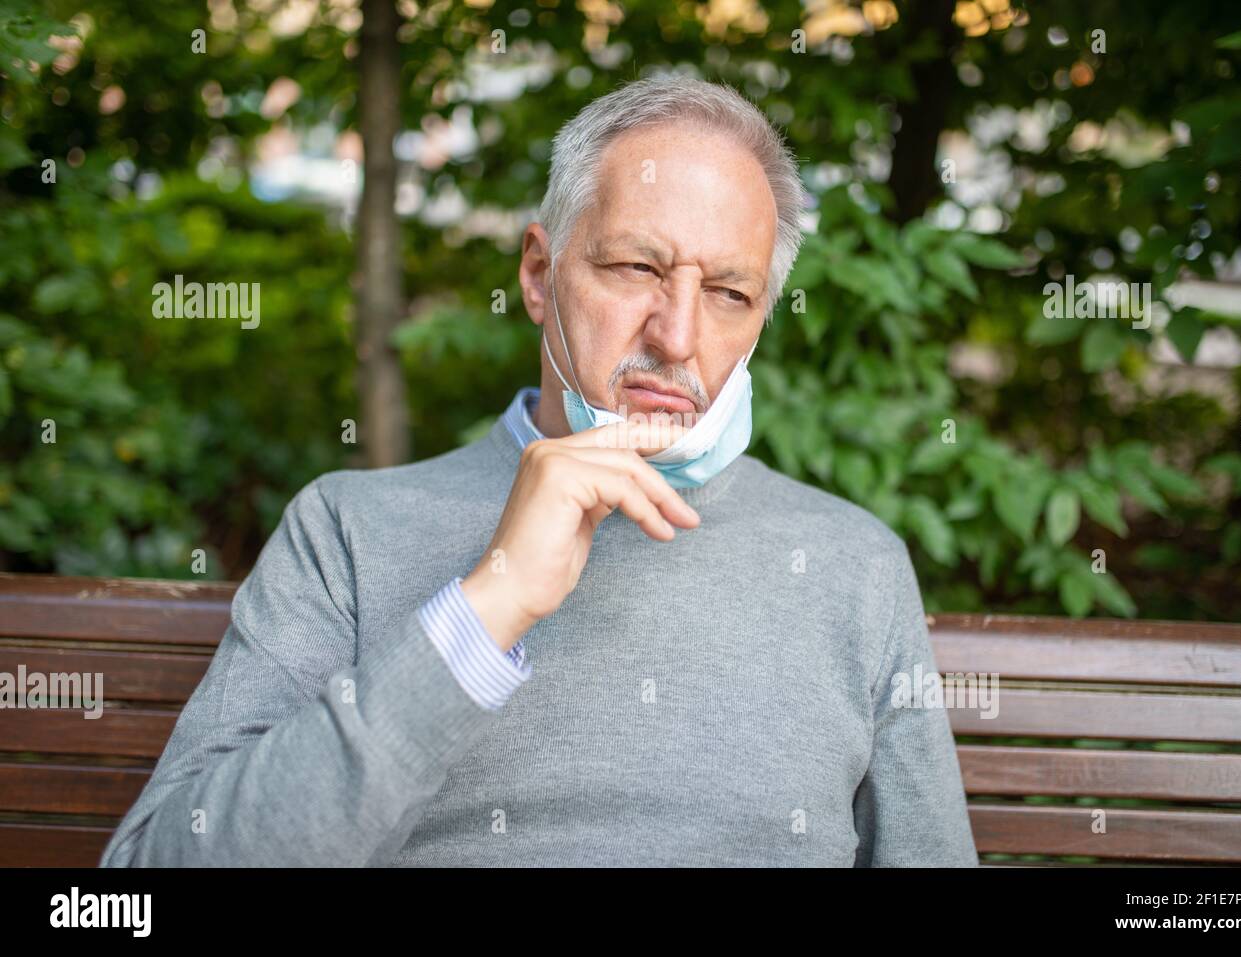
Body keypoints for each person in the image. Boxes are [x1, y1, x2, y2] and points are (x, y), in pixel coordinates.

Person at [100, 74, 978, 867]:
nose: (676, 336)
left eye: (727, 293)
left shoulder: (852, 566)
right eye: (637, 266)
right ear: (537, 273)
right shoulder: (348, 531)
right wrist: (484, 609)